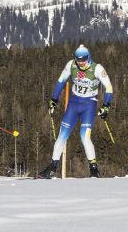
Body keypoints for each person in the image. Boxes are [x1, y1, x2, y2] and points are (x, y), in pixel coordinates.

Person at [40, 45, 113, 178]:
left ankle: (94, 169)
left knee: (84, 136)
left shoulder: (97, 68)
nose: (81, 62)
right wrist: (54, 99)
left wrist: (106, 105)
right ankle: (52, 167)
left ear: (88, 57)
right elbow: (61, 81)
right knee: (62, 135)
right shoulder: (71, 65)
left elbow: (108, 87)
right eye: (78, 59)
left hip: (89, 104)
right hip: (74, 103)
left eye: (83, 59)